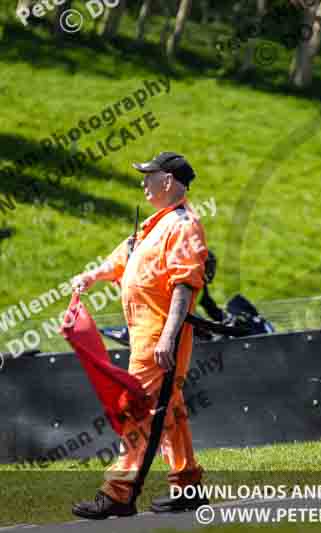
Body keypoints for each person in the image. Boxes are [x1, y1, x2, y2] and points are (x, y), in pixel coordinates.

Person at [71, 152, 209, 518]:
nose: (143, 182)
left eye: (149, 176)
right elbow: (124, 258)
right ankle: (188, 486)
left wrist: (167, 337)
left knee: (139, 412)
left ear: (167, 181)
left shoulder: (183, 224)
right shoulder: (155, 225)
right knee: (171, 410)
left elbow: (183, 286)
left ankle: (118, 492)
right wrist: (92, 276)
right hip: (147, 336)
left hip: (158, 338)